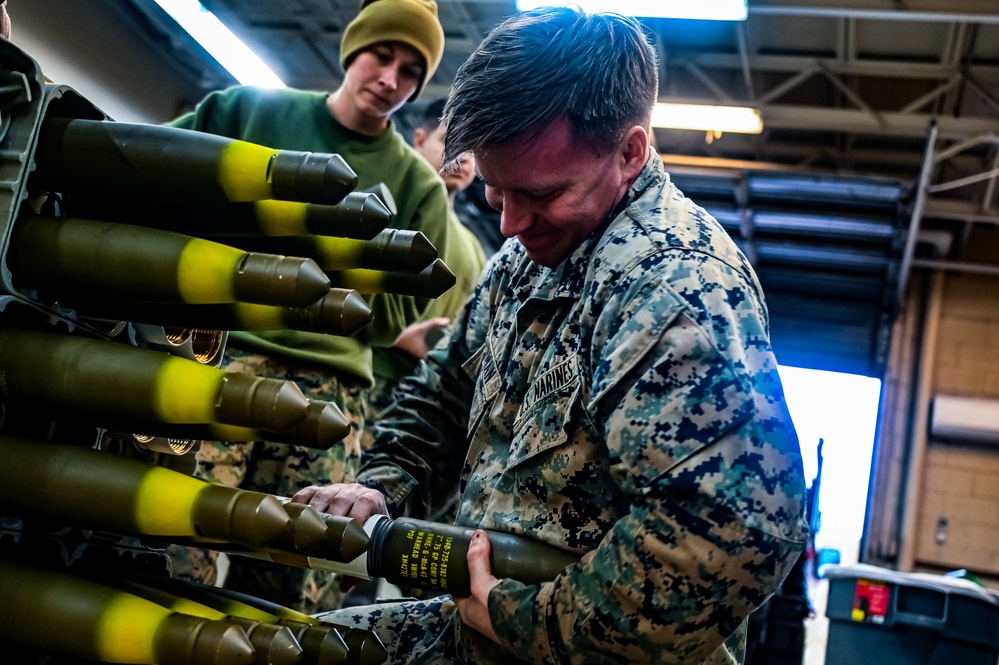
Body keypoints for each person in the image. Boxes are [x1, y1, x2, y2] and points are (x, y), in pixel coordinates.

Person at [294, 6, 809, 664]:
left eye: (539, 194)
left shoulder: (676, 291)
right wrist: (380, 485)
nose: (509, 224)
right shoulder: (532, 256)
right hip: (487, 620)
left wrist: (536, 625)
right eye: (493, 190)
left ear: (629, 153)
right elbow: (446, 391)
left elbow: (735, 533)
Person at [164, 0, 462, 614]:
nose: (390, 80)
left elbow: (396, 315)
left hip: (327, 398)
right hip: (217, 359)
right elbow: (158, 177)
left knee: (293, 588)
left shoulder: (416, 187)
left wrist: (281, 269)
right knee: (171, 544)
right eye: (383, 55)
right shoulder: (248, 110)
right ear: (353, 49)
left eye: (410, 71)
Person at [367, 98, 487, 427]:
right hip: (370, 374)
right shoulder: (382, 206)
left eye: (471, 149)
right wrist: (400, 336)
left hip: (423, 398)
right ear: (419, 139)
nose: (461, 157)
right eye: (450, 142)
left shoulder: (474, 248)